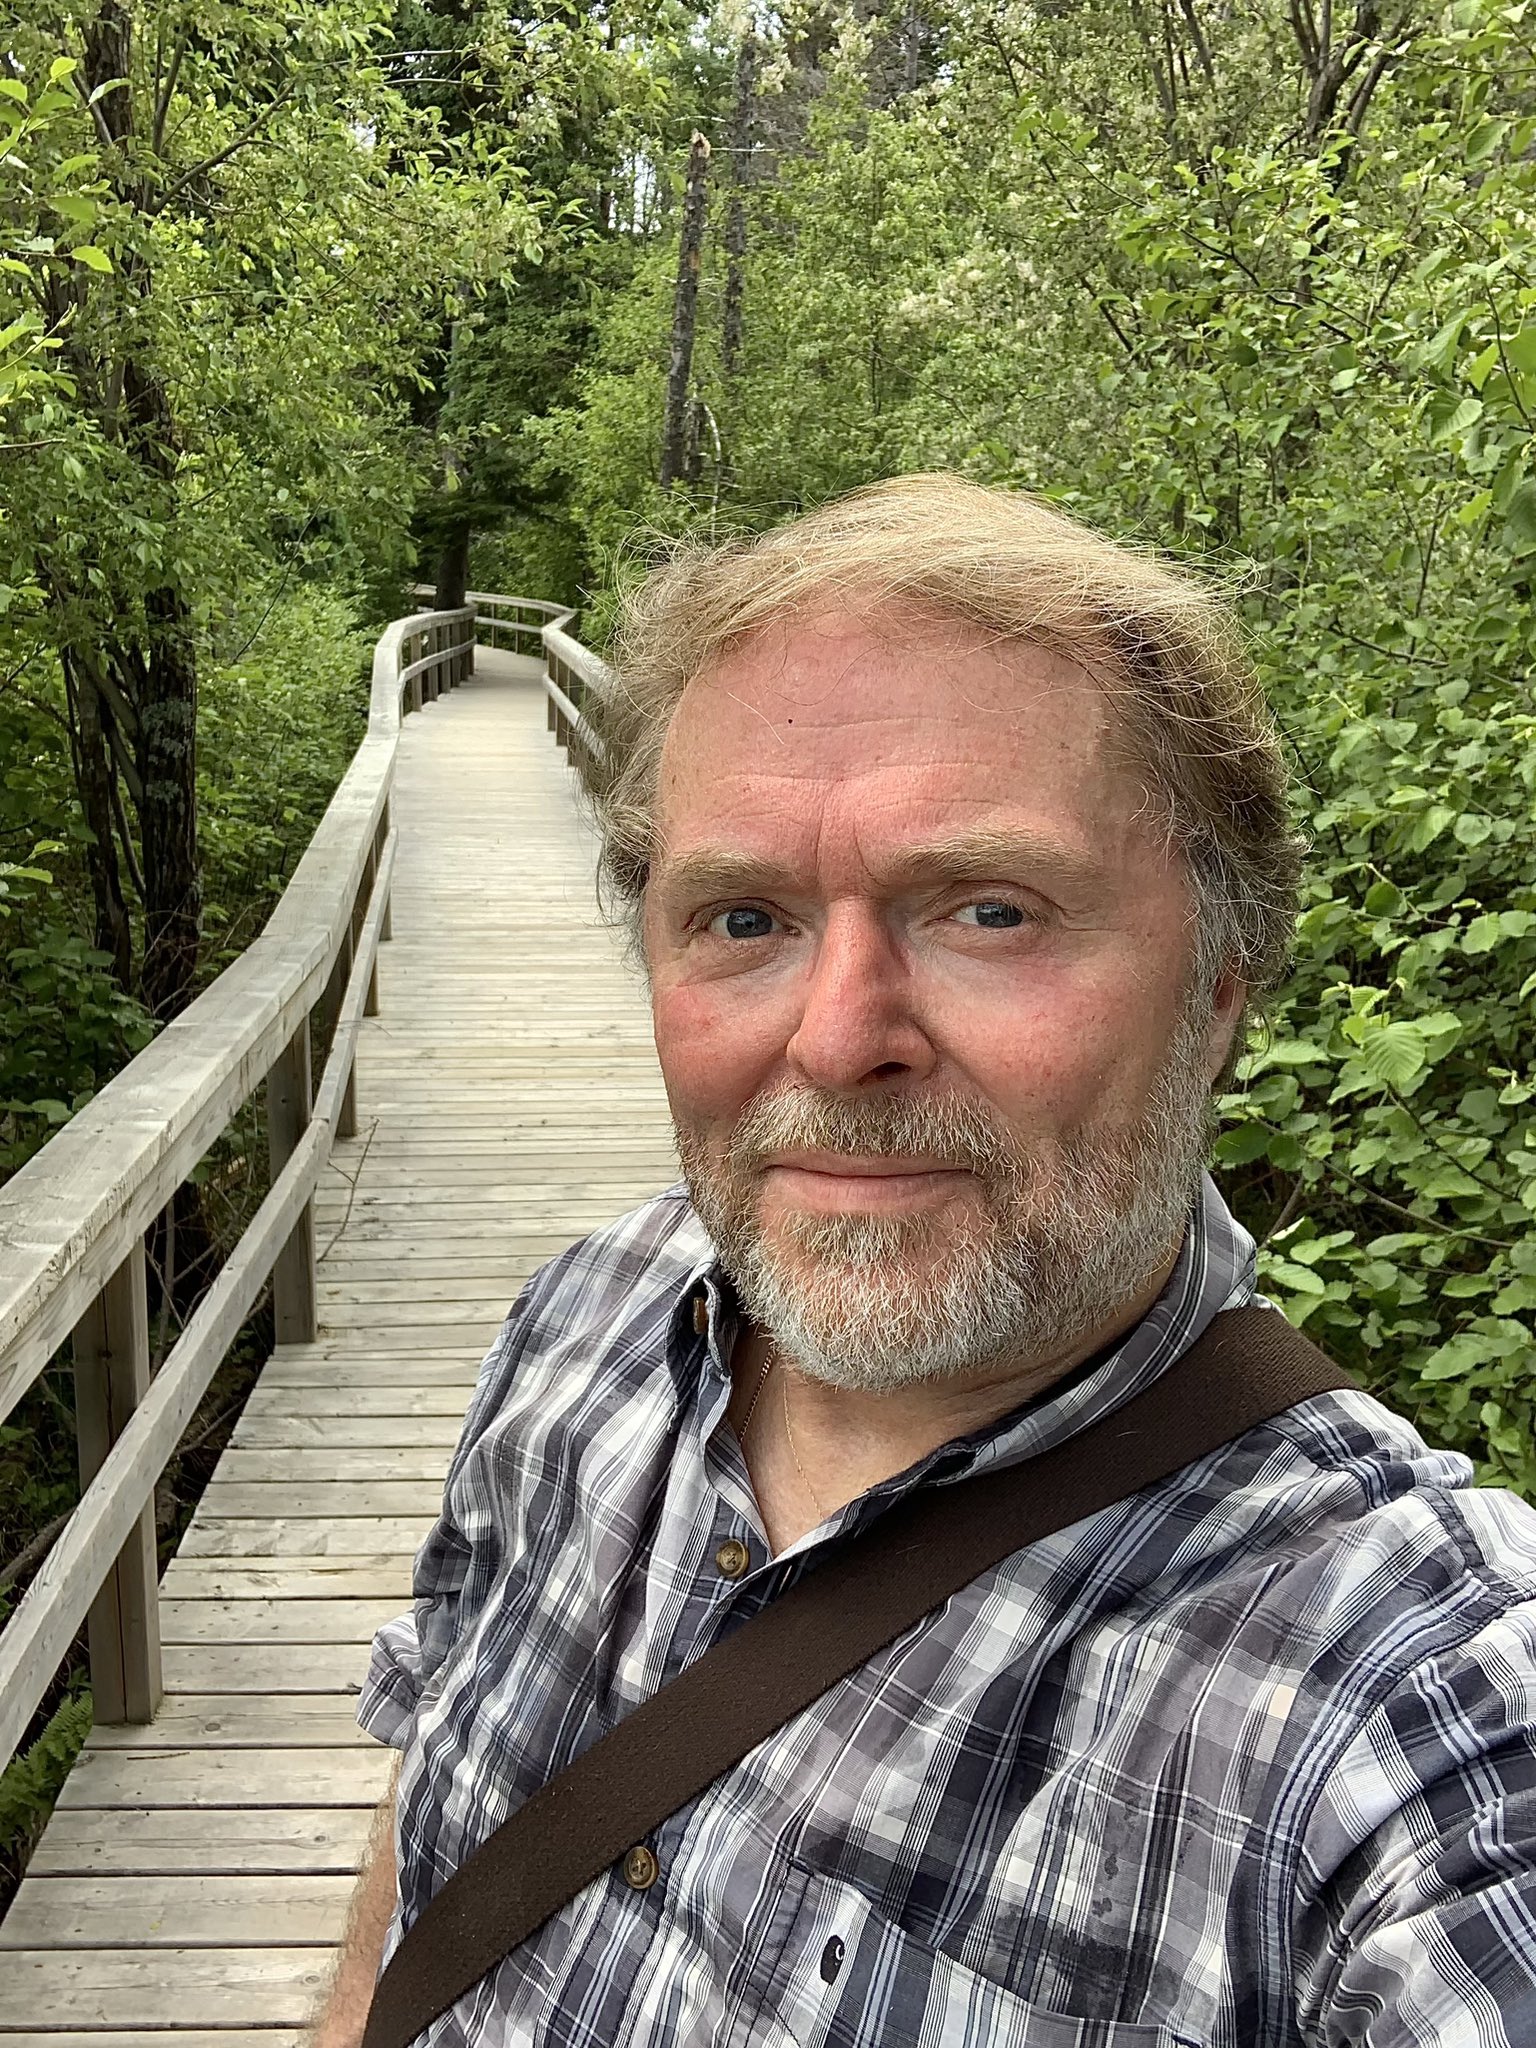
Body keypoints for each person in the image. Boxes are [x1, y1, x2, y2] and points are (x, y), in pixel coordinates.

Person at [311, 476, 1536, 2048]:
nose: (837, 1039)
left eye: (988, 909)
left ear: (1224, 983)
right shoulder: (585, 1324)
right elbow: (429, 1824)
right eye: (743, 918)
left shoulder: (1416, 1726)